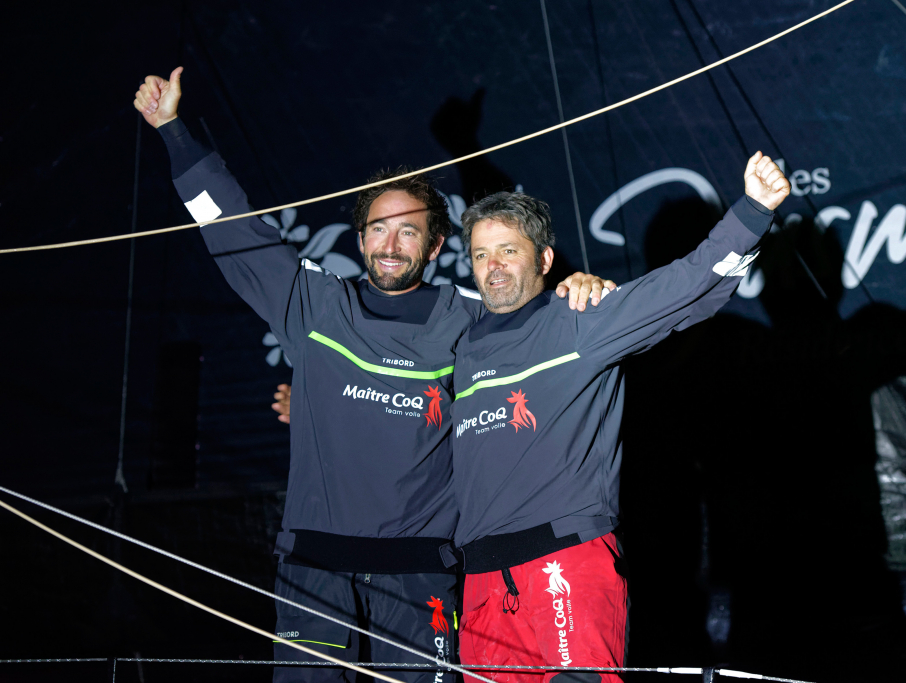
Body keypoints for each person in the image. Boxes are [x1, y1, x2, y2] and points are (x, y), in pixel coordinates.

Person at [134, 66, 614, 683]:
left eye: (409, 231)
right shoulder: (312, 305)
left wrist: (578, 287)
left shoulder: (473, 321)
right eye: (378, 229)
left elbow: (537, 312)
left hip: (421, 574)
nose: (391, 245)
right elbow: (232, 229)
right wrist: (173, 131)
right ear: (360, 240)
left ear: (435, 246)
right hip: (314, 569)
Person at [449, 153, 790, 683]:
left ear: (544, 259)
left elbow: (684, 287)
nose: (493, 266)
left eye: (508, 251)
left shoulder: (580, 320)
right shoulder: (459, 347)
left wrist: (752, 211)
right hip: (482, 582)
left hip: (563, 563)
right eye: (480, 254)